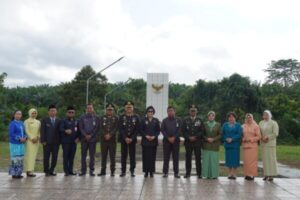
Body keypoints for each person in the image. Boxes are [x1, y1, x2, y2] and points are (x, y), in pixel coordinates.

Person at [181, 105, 204, 179]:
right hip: (188, 142)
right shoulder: (185, 120)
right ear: (189, 111)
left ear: (196, 111)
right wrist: (188, 137)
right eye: (191, 110)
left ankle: (199, 173)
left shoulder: (200, 120)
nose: (193, 112)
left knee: (198, 158)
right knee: (188, 158)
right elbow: (183, 131)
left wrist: (196, 137)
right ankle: (188, 173)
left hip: (197, 142)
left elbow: (202, 131)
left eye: (194, 110)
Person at [119, 101, 140, 177]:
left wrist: (131, 138)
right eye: (127, 107)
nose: (129, 108)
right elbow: (120, 129)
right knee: (123, 155)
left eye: (130, 107)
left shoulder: (136, 117)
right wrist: (125, 138)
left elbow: (137, 129)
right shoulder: (121, 117)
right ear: (125, 108)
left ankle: (132, 171)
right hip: (124, 139)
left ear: (133, 108)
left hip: (132, 140)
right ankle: (123, 171)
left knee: (132, 156)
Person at [79, 104, 100, 176]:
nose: (89, 109)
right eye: (88, 108)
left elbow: (96, 128)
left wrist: (90, 135)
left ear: (93, 109)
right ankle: (83, 171)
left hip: (92, 139)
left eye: (91, 108)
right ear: (86, 109)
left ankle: (91, 171)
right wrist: (85, 135)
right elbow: (81, 128)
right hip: (84, 139)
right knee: (83, 156)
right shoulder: (82, 118)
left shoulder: (96, 118)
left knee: (92, 156)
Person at [98, 103, 119, 177]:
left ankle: (112, 171)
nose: (109, 111)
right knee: (103, 156)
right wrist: (105, 134)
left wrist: (110, 135)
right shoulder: (102, 117)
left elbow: (116, 128)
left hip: (112, 140)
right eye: (108, 110)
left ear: (113, 110)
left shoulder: (116, 118)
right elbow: (100, 127)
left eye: (111, 110)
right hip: (104, 140)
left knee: (112, 156)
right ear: (106, 110)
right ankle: (103, 171)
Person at [161, 106, 182, 178]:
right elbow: (162, 130)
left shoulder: (178, 120)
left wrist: (174, 137)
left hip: (175, 141)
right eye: (169, 111)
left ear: (174, 111)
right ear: (167, 112)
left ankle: (176, 173)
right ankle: (165, 172)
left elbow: (180, 130)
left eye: (172, 110)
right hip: (166, 142)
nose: (170, 112)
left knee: (176, 158)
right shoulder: (164, 120)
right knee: (166, 157)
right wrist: (168, 138)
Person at [140, 106, 160, 178]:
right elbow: (141, 130)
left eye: (151, 112)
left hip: (153, 142)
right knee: (145, 157)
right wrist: (146, 136)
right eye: (149, 112)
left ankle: (151, 172)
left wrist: (154, 136)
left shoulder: (156, 120)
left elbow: (158, 130)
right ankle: (146, 172)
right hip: (145, 142)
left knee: (152, 157)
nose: (150, 113)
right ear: (147, 113)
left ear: (153, 112)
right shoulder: (143, 120)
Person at [60, 106, 80, 176]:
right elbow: (60, 129)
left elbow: (78, 131)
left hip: (74, 142)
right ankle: (66, 171)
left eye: (72, 112)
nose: (71, 113)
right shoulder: (63, 121)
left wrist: (78, 138)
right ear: (67, 113)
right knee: (66, 157)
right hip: (66, 142)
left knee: (72, 157)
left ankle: (71, 170)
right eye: (69, 112)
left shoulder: (76, 121)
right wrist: (65, 131)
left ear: (74, 113)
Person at [40, 105, 60, 176]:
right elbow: (42, 131)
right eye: (51, 111)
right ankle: (46, 171)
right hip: (47, 142)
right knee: (46, 157)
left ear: (56, 112)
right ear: (48, 112)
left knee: (55, 157)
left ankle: (52, 170)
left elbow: (60, 131)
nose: (53, 112)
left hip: (56, 143)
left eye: (54, 110)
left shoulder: (58, 120)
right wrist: (43, 141)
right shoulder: (44, 120)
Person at [259, 110, 279, 182]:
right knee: (265, 160)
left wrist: (267, 137)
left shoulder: (274, 123)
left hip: (270, 143)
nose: (265, 116)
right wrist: (261, 138)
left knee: (271, 159)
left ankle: (271, 175)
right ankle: (266, 174)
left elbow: (275, 133)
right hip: (263, 143)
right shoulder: (261, 122)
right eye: (264, 114)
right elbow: (259, 132)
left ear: (270, 115)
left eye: (267, 114)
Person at [222, 112, 242, 180]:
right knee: (229, 159)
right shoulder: (225, 125)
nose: (231, 118)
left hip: (235, 144)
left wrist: (232, 139)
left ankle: (234, 173)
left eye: (232, 117)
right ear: (228, 118)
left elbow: (239, 134)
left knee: (235, 159)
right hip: (228, 145)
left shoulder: (238, 125)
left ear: (235, 118)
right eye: (230, 117)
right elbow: (223, 133)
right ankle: (230, 173)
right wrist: (226, 139)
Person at [202, 111, 222, 179]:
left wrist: (213, 139)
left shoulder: (218, 124)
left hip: (215, 146)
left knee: (214, 161)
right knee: (206, 161)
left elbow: (220, 134)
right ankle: (207, 174)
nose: (211, 117)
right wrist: (207, 138)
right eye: (210, 116)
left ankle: (214, 175)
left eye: (212, 116)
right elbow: (202, 134)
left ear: (214, 117)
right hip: (206, 145)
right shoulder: (204, 124)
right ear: (208, 117)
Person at [242, 113, 261, 181]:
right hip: (245, 146)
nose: (248, 119)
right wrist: (243, 139)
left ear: (252, 118)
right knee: (246, 161)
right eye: (247, 117)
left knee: (252, 161)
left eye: (250, 117)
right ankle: (247, 174)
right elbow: (241, 135)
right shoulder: (243, 126)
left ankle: (252, 175)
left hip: (253, 146)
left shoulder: (256, 126)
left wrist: (251, 139)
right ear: (246, 118)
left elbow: (259, 136)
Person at [8, 110, 27, 179]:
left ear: (21, 115)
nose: (18, 115)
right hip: (14, 144)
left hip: (21, 144)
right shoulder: (12, 123)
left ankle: (19, 173)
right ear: (14, 115)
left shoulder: (22, 123)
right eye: (17, 114)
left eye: (20, 114)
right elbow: (11, 134)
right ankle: (14, 174)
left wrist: (25, 137)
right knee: (15, 158)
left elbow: (25, 132)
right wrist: (19, 139)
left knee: (20, 158)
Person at [24, 108, 40, 177]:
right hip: (30, 141)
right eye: (32, 113)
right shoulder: (26, 121)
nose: (34, 114)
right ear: (30, 113)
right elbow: (26, 131)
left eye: (35, 113)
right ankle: (28, 171)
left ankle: (32, 170)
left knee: (33, 156)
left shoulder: (38, 122)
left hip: (36, 141)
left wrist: (37, 137)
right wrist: (32, 138)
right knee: (29, 156)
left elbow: (40, 131)